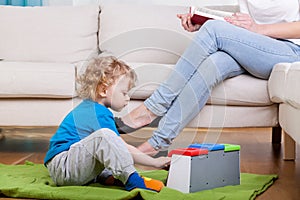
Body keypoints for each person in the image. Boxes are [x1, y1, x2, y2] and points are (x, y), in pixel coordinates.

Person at [116, 0, 300, 156]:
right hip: (250, 46)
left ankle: (151, 108)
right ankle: (156, 145)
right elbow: (239, 22)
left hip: (288, 51)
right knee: (214, 63)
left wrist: (258, 29)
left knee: (213, 30)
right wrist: (202, 21)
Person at [44, 56, 171, 192]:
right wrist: (154, 162)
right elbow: (121, 146)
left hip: (66, 166)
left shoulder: (91, 109)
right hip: (64, 167)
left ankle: (107, 176)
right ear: (104, 90)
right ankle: (132, 179)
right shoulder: (98, 113)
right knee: (105, 137)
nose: (127, 98)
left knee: (105, 147)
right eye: (124, 93)